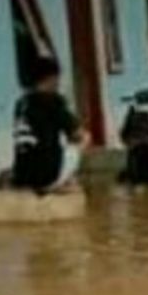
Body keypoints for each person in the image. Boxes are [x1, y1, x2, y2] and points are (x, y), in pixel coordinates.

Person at [11, 56, 90, 193]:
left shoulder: (21, 104)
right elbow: (78, 134)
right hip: (46, 176)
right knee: (86, 137)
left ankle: (61, 179)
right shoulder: (52, 101)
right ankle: (63, 182)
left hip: (21, 176)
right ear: (51, 78)